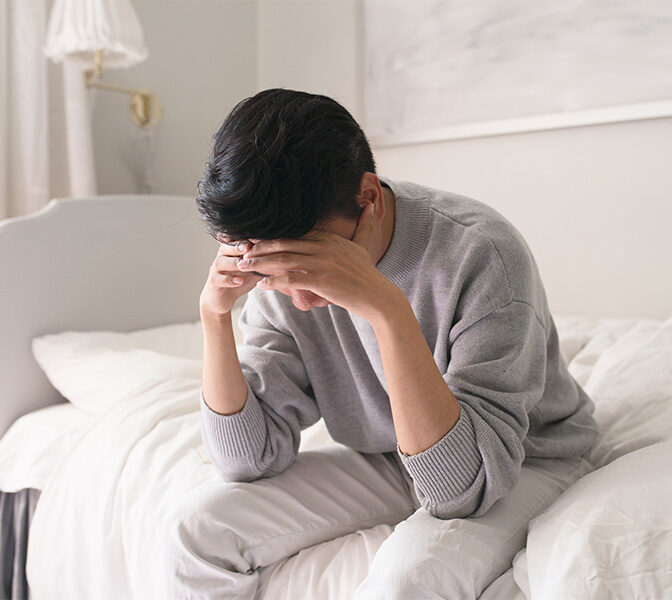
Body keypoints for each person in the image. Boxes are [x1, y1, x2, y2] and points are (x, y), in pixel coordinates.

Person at [192, 87, 599, 598]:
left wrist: (385, 307)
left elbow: (458, 489)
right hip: (389, 453)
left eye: (311, 264)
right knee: (198, 529)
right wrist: (214, 316)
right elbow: (245, 459)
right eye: (274, 268)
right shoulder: (277, 269)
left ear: (369, 198)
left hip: (518, 457)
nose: (297, 298)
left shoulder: (482, 253)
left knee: (407, 579)